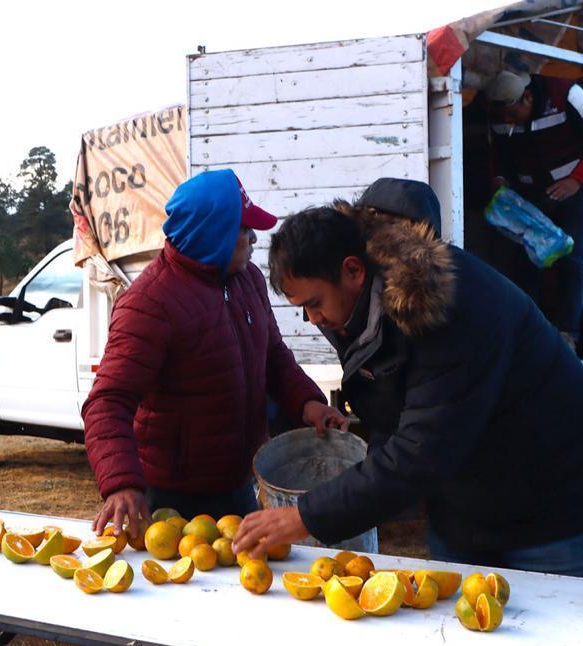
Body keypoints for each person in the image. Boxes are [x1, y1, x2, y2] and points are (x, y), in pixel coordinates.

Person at [233, 179, 583, 577]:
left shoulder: (451, 309)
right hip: (465, 505)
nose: (313, 320)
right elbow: (396, 418)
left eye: (315, 304)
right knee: (457, 611)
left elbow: (420, 450)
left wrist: (307, 516)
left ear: (353, 271)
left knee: (553, 615)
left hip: (551, 509)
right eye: (303, 309)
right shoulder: (356, 306)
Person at [82, 169, 345, 646]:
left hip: (235, 487)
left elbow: (274, 357)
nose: (253, 240)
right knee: (169, 627)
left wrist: (308, 403)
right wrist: (122, 485)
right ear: (214, 237)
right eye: (244, 231)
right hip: (168, 493)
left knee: (240, 621)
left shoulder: (246, 281)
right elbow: (107, 401)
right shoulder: (148, 304)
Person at [485, 69, 583, 352]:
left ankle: (568, 334)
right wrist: (499, 180)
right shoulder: (501, 118)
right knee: (527, 261)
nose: (508, 121)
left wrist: (576, 180)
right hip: (529, 199)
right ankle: (529, 333)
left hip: (573, 191)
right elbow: (498, 156)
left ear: (527, 97)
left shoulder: (567, 95)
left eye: (512, 114)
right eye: (503, 116)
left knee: (573, 259)